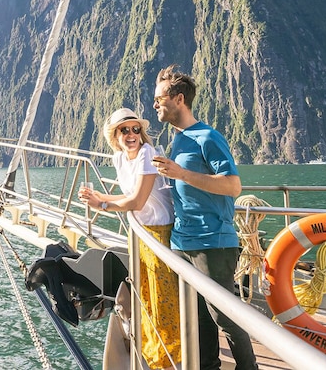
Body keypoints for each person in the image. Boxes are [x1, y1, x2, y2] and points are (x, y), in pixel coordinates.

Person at [150, 65, 258, 370]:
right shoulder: (178, 139)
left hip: (212, 243)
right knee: (196, 317)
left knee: (225, 316)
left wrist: (182, 173)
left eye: (159, 99)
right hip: (182, 242)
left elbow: (233, 185)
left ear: (179, 99)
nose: (155, 104)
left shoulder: (207, 137)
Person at [80, 107, 181, 370]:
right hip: (138, 231)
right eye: (125, 130)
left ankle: (171, 356)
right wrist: (99, 198)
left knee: (162, 296)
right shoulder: (119, 159)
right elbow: (126, 196)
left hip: (158, 230)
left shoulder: (148, 153)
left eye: (136, 129)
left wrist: (101, 206)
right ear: (115, 136)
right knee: (144, 293)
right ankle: (153, 346)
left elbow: (136, 200)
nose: (132, 134)